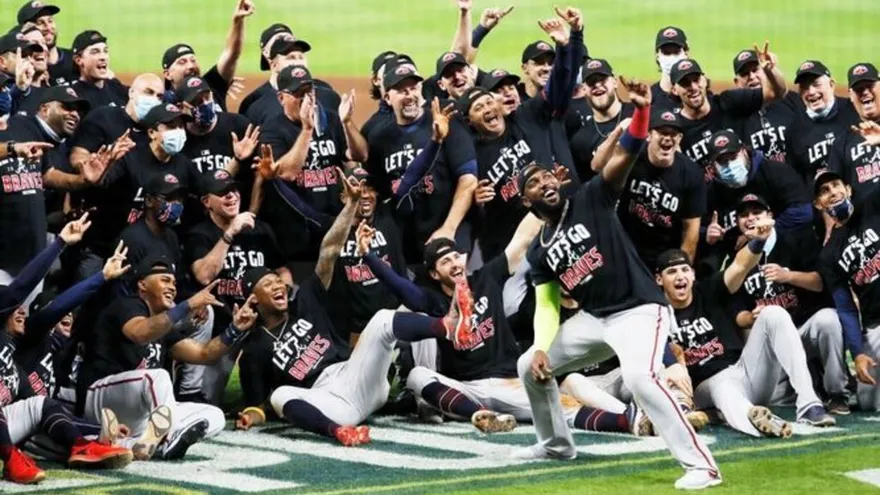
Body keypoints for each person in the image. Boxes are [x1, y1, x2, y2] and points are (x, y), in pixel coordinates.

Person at [515, 75, 720, 490]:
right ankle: (555, 443)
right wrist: (540, 348)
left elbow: (626, 152)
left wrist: (641, 111)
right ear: (527, 201)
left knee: (642, 377)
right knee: (528, 366)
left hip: (640, 309)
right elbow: (548, 305)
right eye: (533, 184)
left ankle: (702, 466)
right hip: (596, 319)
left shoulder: (592, 197)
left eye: (547, 178)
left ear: (559, 180)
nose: (544, 185)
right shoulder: (540, 251)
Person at [360, 216, 654, 437]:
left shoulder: (486, 278)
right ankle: (482, 417)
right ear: (435, 274)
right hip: (467, 387)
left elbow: (521, 241)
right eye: (444, 262)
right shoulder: (434, 301)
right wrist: (369, 256)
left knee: (561, 410)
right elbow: (402, 289)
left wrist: (541, 206)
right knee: (417, 375)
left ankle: (628, 421)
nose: (453, 263)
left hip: (507, 380)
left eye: (454, 256)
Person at [76, 255, 250, 461]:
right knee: (157, 376)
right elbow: (140, 332)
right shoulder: (127, 305)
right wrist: (186, 306)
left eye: (174, 283)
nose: (173, 287)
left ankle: (135, 444)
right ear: (142, 284)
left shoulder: (163, 325)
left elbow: (204, 354)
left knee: (214, 415)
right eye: (165, 280)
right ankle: (166, 438)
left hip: (138, 413)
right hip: (100, 398)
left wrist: (235, 329)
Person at [656, 241, 837, 436]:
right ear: (659, 279)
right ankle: (755, 421)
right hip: (702, 387)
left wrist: (759, 240)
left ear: (692, 274)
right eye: (672, 272)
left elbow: (740, 265)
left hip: (742, 372)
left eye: (684, 269)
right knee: (721, 384)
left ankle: (809, 404)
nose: (680, 276)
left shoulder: (707, 291)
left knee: (773, 313)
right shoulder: (655, 314)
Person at [727, 194, 849, 414]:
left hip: (804, 328)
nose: (751, 218)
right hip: (774, 343)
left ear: (770, 216)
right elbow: (735, 310)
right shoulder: (737, 259)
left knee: (829, 320)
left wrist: (788, 276)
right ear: (738, 223)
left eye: (757, 213)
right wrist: (751, 318)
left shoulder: (797, 239)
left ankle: (837, 393)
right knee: (773, 402)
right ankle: (811, 378)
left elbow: (821, 283)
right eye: (744, 215)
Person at [185, 169, 290, 403]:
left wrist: (286, 296)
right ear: (207, 202)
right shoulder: (200, 234)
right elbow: (203, 275)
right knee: (207, 400)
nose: (231, 196)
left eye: (233, 190)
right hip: (226, 326)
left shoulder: (260, 229)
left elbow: (282, 269)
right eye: (222, 193)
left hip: (264, 322)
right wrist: (230, 233)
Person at [365, 61, 477, 258]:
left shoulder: (445, 119)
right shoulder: (378, 137)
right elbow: (379, 194)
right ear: (387, 98)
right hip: (405, 240)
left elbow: (468, 180)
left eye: (413, 88)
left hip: (451, 230)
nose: (409, 95)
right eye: (401, 90)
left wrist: (448, 229)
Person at [258, 65, 364, 259]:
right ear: (281, 98)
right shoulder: (272, 130)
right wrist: (307, 129)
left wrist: (347, 123)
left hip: (335, 222)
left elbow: (359, 155)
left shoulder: (330, 120)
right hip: (299, 232)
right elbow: (287, 173)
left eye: (309, 92)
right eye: (299, 93)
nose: (306, 99)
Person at [813, 156, 880, 412]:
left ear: (849, 189)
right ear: (818, 203)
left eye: (836, 185)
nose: (832, 193)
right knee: (868, 402)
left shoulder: (873, 204)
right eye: (824, 191)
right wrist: (858, 352)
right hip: (876, 327)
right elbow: (846, 309)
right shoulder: (828, 254)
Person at [670, 45, 786, 179]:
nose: (693, 87)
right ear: (674, 90)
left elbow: (773, 93)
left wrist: (769, 71)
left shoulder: (728, 102)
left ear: (704, 80)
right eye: (685, 83)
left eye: (696, 80)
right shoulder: (676, 130)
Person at [613, 108, 705, 269]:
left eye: (673, 134)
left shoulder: (692, 173)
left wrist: (682, 269)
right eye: (662, 132)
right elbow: (598, 167)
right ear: (649, 135)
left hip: (664, 254)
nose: (668, 138)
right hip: (625, 245)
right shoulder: (633, 157)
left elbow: (691, 230)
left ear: (680, 138)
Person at [160, 0, 254, 110]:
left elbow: (232, 53)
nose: (191, 66)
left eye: (193, 60)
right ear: (168, 74)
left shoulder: (212, 85)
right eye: (182, 62)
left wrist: (238, 21)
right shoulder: (162, 104)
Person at [238, 23, 340, 125]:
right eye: (290, 58)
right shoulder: (255, 103)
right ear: (273, 64)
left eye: (301, 57)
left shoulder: (326, 93)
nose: (297, 63)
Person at [786, 61, 860, 184]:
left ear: (831, 85)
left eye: (816, 84)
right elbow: (797, 179)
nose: (811, 92)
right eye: (804, 87)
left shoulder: (854, 110)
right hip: (824, 199)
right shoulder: (794, 132)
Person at [569, 58, 635, 181]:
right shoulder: (580, 140)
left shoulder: (638, 114)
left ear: (615, 82)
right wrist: (620, 130)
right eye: (591, 82)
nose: (598, 85)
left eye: (603, 80)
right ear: (584, 89)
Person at [730, 49, 798, 164]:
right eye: (745, 74)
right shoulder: (734, 119)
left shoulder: (791, 101)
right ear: (736, 82)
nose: (751, 76)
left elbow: (780, 89)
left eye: (755, 70)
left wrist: (772, 70)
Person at [827, 63, 880, 202]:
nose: (865, 92)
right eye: (858, 89)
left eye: (870, 86)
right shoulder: (842, 143)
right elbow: (833, 192)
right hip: (866, 222)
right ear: (850, 96)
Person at [16, 0, 76, 86]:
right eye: (40, 23)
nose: (48, 27)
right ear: (27, 29)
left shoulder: (75, 59)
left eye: (50, 21)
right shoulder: (25, 71)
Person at [69, 30, 128, 112]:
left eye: (105, 51)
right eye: (95, 52)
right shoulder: (75, 97)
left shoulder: (115, 86)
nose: (103, 57)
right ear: (78, 60)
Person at [651, 26, 688, 107]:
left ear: (686, 53)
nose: (671, 57)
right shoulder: (648, 99)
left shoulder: (697, 96)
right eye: (666, 53)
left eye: (676, 52)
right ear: (657, 55)